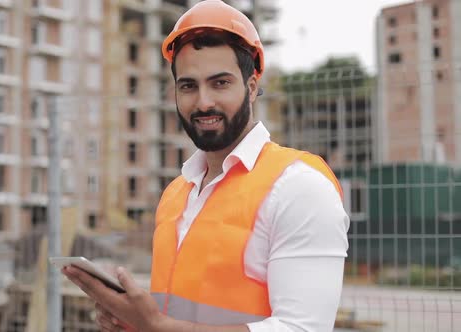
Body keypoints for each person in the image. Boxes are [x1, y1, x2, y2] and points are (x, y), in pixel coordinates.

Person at [63, 1, 350, 331]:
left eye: (220, 83)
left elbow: (303, 329)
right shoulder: (176, 193)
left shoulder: (299, 187)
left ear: (252, 88)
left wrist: (157, 326)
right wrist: (133, 321)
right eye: (188, 86)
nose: (203, 102)